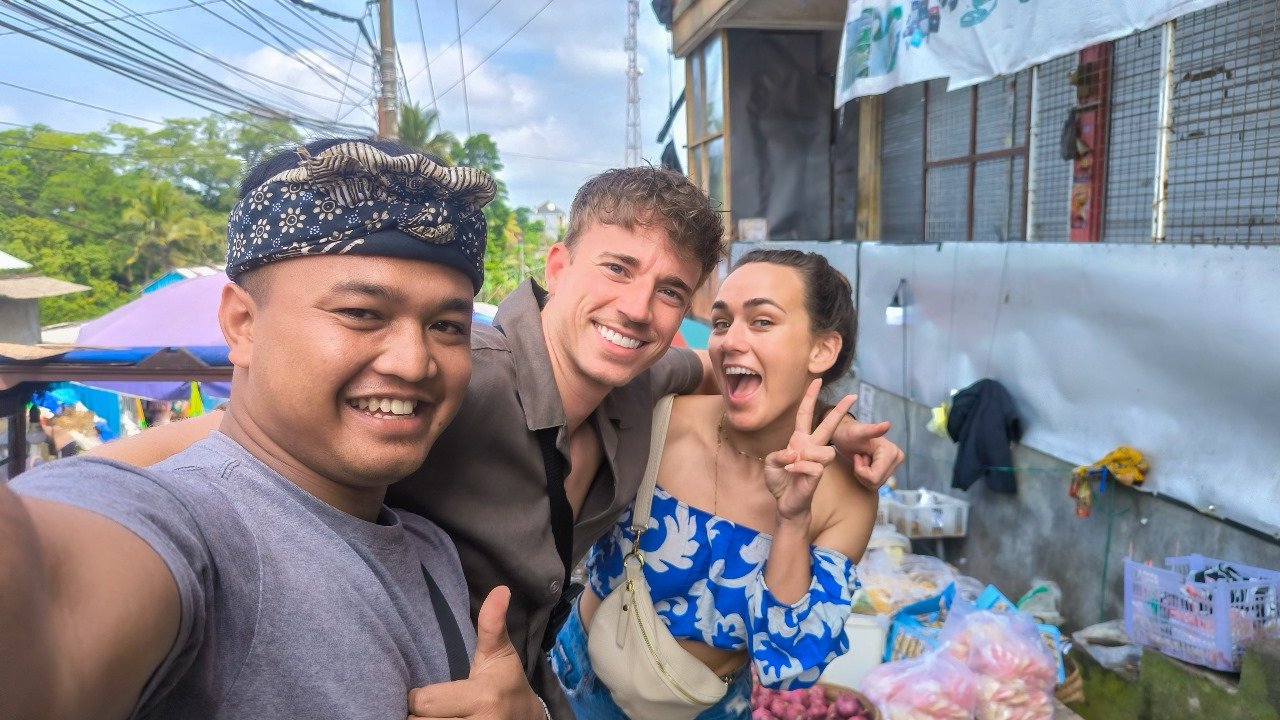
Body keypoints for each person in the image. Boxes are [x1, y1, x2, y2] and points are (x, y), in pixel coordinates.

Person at [93, 167, 904, 718]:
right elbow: (241, 447)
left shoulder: (645, 383)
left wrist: (834, 431)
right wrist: (69, 502)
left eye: (670, 292)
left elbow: (715, 373)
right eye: (617, 268)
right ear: (557, 264)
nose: (637, 308)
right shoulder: (455, 377)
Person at [1, 139, 544, 719]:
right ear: (242, 324)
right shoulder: (201, 530)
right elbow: (46, 588)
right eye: (361, 313)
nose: (414, 363)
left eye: (447, 326)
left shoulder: (428, 547)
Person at [551, 249, 879, 719]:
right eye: (722, 323)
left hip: (710, 709)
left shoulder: (846, 498)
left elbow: (788, 666)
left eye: (762, 321)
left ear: (822, 350)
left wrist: (792, 520)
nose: (730, 341)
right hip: (577, 683)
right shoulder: (659, 419)